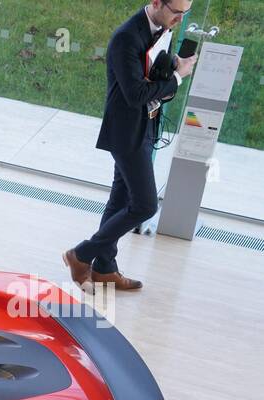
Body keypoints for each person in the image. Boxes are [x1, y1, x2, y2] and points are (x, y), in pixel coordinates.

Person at [64, 1, 196, 292]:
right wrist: (177, 77)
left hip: (145, 126)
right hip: (127, 132)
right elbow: (135, 94)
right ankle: (81, 254)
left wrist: (172, 63)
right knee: (145, 204)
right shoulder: (127, 37)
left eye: (185, 14)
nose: (179, 19)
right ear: (157, 3)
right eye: (176, 12)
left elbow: (149, 66)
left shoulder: (160, 28)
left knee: (121, 199)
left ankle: (104, 267)